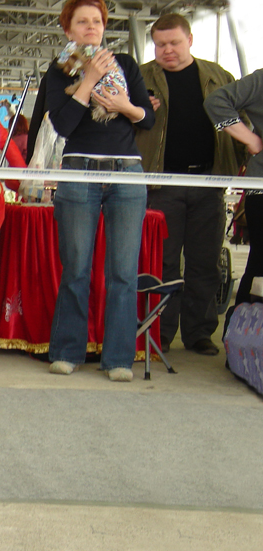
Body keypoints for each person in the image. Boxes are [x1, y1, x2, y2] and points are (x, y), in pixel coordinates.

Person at [46, 0, 155, 382]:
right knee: (76, 267)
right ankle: (67, 351)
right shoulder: (60, 70)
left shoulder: (126, 65)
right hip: (79, 170)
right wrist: (88, 80)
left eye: (97, 21)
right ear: (68, 29)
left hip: (127, 173)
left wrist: (126, 106)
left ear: (105, 26)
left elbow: (148, 118)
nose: (91, 27)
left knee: (123, 271)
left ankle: (119, 357)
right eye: (82, 21)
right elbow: (62, 124)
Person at [135, 13, 244, 356]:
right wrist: (137, 110)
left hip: (209, 181)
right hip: (160, 184)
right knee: (163, 261)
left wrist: (239, 161)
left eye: (174, 43)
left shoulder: (219, 76)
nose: (167, 51)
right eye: (160, 44)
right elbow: (117, 121)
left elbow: (238, 120)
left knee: (205, 261)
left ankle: (199, 333)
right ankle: (162, 331)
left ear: (190, 40)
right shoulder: (140, 76)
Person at [204, 69, 263, 306]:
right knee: (260, 264)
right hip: (262, 188)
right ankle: (243, 335)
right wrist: (250, 139)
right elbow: (215, 101)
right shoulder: (261, 80)